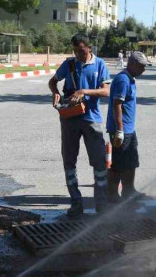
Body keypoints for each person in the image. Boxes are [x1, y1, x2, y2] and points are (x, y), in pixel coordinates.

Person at [48, 33, 111, 217]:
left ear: (89, 48)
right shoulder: (69, 64)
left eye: (81, 51)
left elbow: (106, 91)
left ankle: (101, 203)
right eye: (75, 51)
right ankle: (76, 203)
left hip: (92, 119)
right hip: (70, 119)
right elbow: (52, 81)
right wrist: (56, 93)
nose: (78, 55)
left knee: (99, 162)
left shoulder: (99, 64)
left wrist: (84, 91)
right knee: (69, 161)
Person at [106, 51, 148, 204]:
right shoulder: (123, 80)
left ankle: (129, 190)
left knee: (131, 162)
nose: (144, 70)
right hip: (121, 130)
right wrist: (119, 130)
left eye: (145, 67)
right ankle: (112, 194)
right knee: (119, 164)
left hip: (129, 129)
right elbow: (117, 105)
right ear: (131, 64)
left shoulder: (130, 79)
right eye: (141, 66)